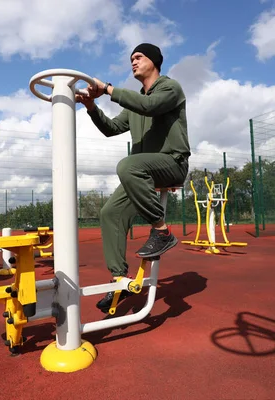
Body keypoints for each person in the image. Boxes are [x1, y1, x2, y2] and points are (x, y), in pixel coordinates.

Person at [76, 43, 191, 313]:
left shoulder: (169, 88)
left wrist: (107, 89)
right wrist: (92, 106)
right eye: (131, 59)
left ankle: (161, 232)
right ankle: (119, 279)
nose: (133, 62)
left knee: (127, 166)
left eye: (138, 57)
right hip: (143, 171)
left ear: (154, 61)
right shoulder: (135, 103)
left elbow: (150, 106)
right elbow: (112, 128)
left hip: (172, 163)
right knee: (109, 213)